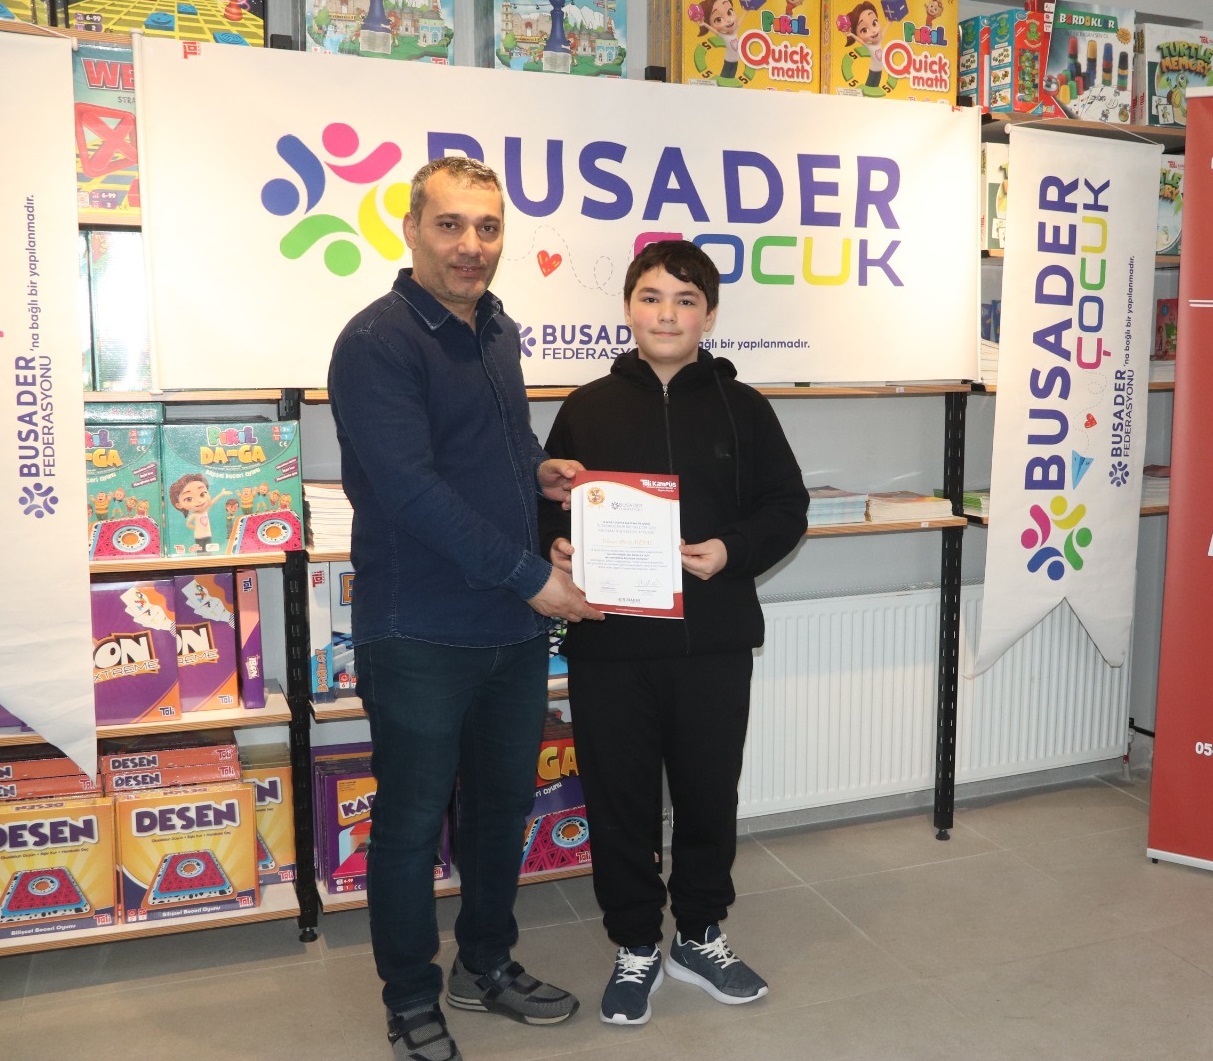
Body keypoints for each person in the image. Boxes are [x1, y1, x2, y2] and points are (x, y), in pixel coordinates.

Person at [328, 156, 604, 1061]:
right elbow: (409, 490)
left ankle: (484, 963)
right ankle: (410, 998)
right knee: (410, 825)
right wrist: (530, 575)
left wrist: (538, 469)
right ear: (410, 228)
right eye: (449, 224)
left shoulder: (494, 328)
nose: (470, 245)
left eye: (487, 227)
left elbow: (495, 441)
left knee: (498, 809)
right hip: (418, 629)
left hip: (509, 628)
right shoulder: (376, 342)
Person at [538, 240, 808, 1026]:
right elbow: (548, 506)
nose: (667, 313)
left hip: (712, 645)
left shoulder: (744, 407)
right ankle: (634, 942)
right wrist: (555, 547)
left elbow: (785, 508)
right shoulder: (585, 406)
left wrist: (730, 550)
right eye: (651, 297)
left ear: (708, 316)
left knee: (706, 798)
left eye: (685, 300)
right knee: (618, 801)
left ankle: (698, 933)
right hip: (610, 647)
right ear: (628, 308)